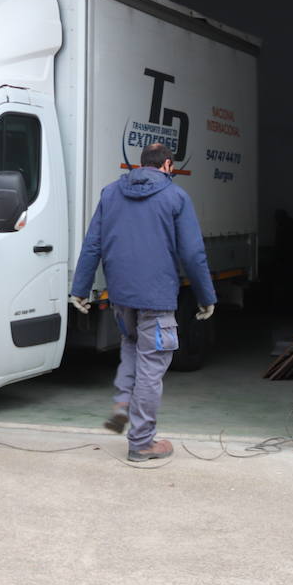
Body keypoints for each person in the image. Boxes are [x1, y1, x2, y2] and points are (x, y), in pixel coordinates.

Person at [69, 144, 216, 462]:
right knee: (152, 367)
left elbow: (93, 243)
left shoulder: (110, 193)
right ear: (167, 164)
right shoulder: (176, 197)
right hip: (157, 297)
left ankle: (122, 403)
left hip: (122, 296)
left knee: (131, 347)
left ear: (141, 165)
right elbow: (192, 253)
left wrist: (79, 289)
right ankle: (142, 442)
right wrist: (206, 297)